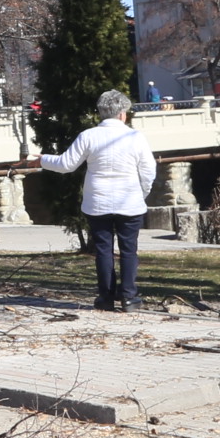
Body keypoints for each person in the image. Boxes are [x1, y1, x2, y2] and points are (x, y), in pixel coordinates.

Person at [36, 88, 158, 311]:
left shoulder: (88, 136)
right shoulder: (135, 137)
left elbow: (66, 164)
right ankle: (130, 297)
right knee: (129, 250)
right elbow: (148, 170)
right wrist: (142, 193)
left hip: (98, 202)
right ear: (123, 114)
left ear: (101, 112)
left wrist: (42, 159)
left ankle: (106, 297)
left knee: (103, 250)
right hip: (129, 201)